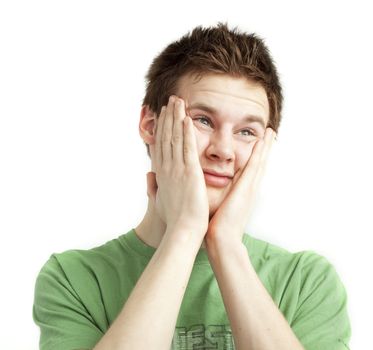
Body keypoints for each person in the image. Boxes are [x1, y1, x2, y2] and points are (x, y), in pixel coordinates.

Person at [33, 23, 351, 350]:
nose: (223, 151)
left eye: (246, 132)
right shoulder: (73, 279)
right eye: (203, 120)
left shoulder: (307, 283)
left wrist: (225, 244)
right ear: (150, 125)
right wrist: (184, 230)